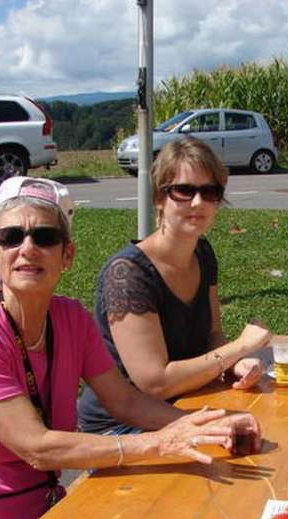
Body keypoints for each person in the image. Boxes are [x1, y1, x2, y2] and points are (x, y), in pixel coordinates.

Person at [0, 176, 262, 519]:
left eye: (45, 236)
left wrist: (203, 425)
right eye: (11, 236)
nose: (28, 248)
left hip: (47, 514)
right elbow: (37, 448)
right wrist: (153, 444)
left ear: (67, 255)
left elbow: (125, 402)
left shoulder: (69, 318)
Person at [79, 137, 271, 435]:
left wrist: (236, 364)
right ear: (159, 197)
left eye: (210, 192)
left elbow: (213, 335)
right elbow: (155, 383)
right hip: (125, 424)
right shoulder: (128, 274)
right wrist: (240, 348)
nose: (198, 202)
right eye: (183, 191)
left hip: (185, 401)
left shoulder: (202, 253)